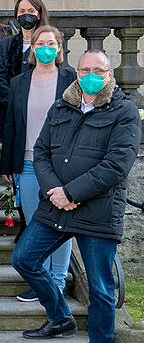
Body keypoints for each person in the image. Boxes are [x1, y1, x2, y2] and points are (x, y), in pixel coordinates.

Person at [12, 50, 140, 343]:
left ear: (109, 74)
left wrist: (72, 192)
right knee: (24, 259)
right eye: (85, 70)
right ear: (77, 73)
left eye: (99, 70)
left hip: (97, 208)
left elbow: (116, 164)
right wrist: (56, 191)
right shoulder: (62, 106)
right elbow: (41, 151)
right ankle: (59, 318)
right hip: (56, 205)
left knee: (100, 289)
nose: (91, 76)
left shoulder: (124, 111)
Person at [0, 26, 75, 303]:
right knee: (35, 225)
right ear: (33, 49)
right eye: (40, 43)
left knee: (61, 225)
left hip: (62, 165)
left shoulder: (71, 79)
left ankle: (58, 281)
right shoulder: (20, 82)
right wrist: (7, 164)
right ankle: (40, 281)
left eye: (51, 42)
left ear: (59, 48)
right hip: (29, 163)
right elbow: (10, 125)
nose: (45, 47)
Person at [0, 0, 51, 111]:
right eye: (22, 11)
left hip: (41, 107)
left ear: (39, 14)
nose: (26, 15)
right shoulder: (5, 45)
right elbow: (0, 77)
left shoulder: (48, 44)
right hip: (10, 108)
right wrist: (13, 102)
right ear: (17, 15)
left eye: (31, 11)